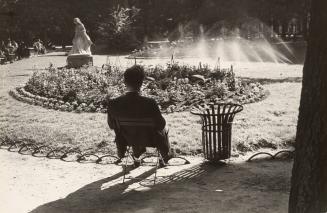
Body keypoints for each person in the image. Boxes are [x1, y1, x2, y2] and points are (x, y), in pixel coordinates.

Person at [107, 65, 171, 167]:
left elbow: (111, 125)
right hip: (151, 139)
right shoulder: (150, 103)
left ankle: (136, 158)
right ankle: (163, 157)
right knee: (165, 128)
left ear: (125, 82)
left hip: (127, 139)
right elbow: (161, 125)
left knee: (134, 130)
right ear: (141, 83)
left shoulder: (113, 103)